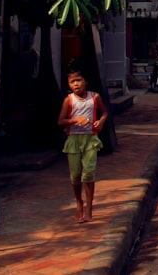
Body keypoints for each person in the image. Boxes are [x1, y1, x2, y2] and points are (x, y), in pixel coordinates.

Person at [57, 62, 107, 223]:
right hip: (73, 140)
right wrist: (74, 120)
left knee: (89, 173)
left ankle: (89, 206)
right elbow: (61, 121)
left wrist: (101, 122)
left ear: (85, 81)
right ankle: (79, 201)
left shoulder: (95, 97)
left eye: (79, 80)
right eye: (72, 82)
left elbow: (104, 112)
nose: (76, 84)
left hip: (90, 139)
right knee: (76, 175)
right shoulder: (68, 100)